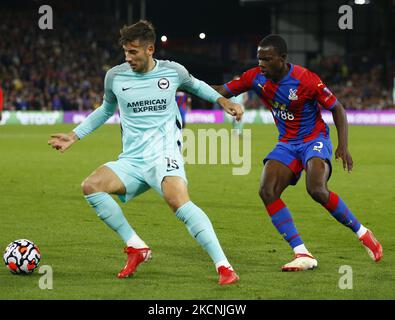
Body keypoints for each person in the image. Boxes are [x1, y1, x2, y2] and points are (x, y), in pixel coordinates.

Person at [48, 20, 242, 285]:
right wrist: (74, 135)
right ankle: (136, 246)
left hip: (164, 154)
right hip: (132, 159)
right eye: (125, 52)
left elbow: (196, 86)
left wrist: (223, 101)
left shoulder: (173, 72)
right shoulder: (115, 76)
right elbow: (106, 109)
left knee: (177, 200)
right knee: (91, 186)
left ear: (150, 49)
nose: (128, 58)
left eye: (134, 52)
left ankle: (224, 267)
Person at [212, 34, 382, 271]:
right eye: (259, 58)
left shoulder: (306, 80)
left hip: (314, 139)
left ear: (282, 59)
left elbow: (337, 109)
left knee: (316, 189)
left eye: (267, 59)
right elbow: (221, 90)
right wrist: (188, 83)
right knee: (267, 190)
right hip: (287, 143)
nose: (261, 64)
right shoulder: (255, 77)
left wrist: (343, 145)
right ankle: (302, 253)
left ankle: (363, 233)